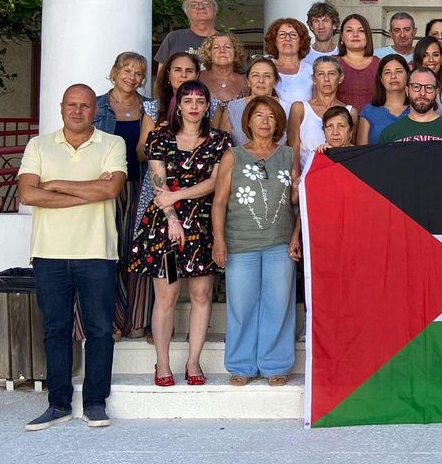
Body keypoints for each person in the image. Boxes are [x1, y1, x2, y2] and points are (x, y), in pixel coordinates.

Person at [18, 84, 127, 430]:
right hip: (49, 252)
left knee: (99, 330)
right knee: (56, 330)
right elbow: (28, 194)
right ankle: (58, 403)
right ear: (61, 107)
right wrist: (87, 191)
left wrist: (54, 184)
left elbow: (111, 189)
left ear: (95, 110)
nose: (77, 111)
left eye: (85, 106)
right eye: (71, 105)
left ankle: (95, 403)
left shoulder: (113, 143)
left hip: (97, 251)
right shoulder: (39, 145)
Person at [127, 80, 231, 388]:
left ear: (208, 106)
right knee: (168, 295)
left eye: (201, 100)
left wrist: (178, 195)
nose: (194, 106)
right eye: (188, 100)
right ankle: (162, 361)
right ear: (179, 105)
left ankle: (193, 360)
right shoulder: (160, 137)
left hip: (201, 224)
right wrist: (171, 214)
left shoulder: (219, 141)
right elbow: (158, 181)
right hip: (166, 227)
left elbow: (215, 182)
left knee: (201, 295)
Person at [211, 95, 300, 387]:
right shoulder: (233, 155)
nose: (265, 121)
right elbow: (220, 201)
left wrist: (303, 186)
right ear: (247, 121)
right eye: (259, 115)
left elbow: (296, 200)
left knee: (279, 304)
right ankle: (241, 365)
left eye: (271, 116)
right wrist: (218, 240)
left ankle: (276, 365)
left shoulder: (288, 154)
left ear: (279, 124)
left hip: (279, 242)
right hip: (240, 241)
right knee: (242, 304)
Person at [94, 52, 150, 340]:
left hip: (142, 185)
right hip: (107, 187)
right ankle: (114, 319)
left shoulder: (149, 107)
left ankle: (137, 319)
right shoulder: (97, 107)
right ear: (114, 72)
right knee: (109, 250)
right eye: (126, 70)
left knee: (138, 251)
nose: (132, 77)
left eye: (138, 73)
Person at [135, 52, 203, 238]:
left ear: (197, 75)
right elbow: (141, 152)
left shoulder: (208, 106)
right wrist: (158, 138)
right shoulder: (154, 109)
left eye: (189, 71)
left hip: (196, 188)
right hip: (160, 188)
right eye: (177, 70)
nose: (183, 75)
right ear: (168, 74)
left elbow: (214, 149)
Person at [288, 57, 357, 169]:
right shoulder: (299, 109)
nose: (326, 79)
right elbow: (294, 148)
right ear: (313, 79)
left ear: (341, 78)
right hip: (307, 176)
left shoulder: (350, 112)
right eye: (321, 74)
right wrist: (297, 179)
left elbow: (352, 149)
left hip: (339, 175)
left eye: (332, 74)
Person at [379, 67, 442, 143]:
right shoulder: (389, 135)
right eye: (416, 86)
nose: (422, 93)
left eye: (429, 87)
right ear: (407, 91)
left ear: (436, 92)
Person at [219, 57, 289, 146]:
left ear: (275, 81)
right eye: (255, 75)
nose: (261, 81)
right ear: (248, 81)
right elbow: (222, 146)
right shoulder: (233, 108)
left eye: (267, 76)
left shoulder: (288, 109)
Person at [154, 0, 218, 72]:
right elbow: (161, 79)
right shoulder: (173, 38)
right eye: (194, 4)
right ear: (186, 11)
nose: (201, 7)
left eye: (206, 3)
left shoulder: (227, 42)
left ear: (215, 9)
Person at [359, 54, 411, 145]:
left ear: (407, 75)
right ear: (381, 80)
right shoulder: (369, 111)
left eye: (398, 71)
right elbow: (361, 152)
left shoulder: (417, 109)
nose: (393, 76)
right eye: (387, 72)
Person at [332, 13, 380, 109]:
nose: (355, 35)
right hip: (340, 122)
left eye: (361, 31)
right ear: (342, 37)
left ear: (368, 36)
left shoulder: (381, 64)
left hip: (374, 122)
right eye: (349, 30)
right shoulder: (331, 63)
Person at [266, 18, 314, 105]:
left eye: (293, 35)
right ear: (275, 41)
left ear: (301, 42)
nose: (287, 38)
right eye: (282, 35)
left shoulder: (311, 72)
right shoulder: (265, 68)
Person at [412, 35, 442, 114]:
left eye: (435, 55)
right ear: (418, 58)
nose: (431, 60)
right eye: (425, 55)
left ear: (441, 58)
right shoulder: (408, 91)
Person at [198, 32, 247, 103]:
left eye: (227, 47)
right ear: (209, 53)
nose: (222, 51)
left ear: (236, 52)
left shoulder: (247, 82)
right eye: (216, 47)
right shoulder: (197, 78)